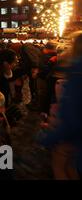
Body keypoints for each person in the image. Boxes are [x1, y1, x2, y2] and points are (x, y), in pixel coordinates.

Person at [40, 32, 82, 179]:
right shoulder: (74, 70)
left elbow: (72, 113)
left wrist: (50, 138)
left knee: (60, 165)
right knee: (69, 165)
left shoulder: (76, 71)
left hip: (71, 134)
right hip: (75, 135)